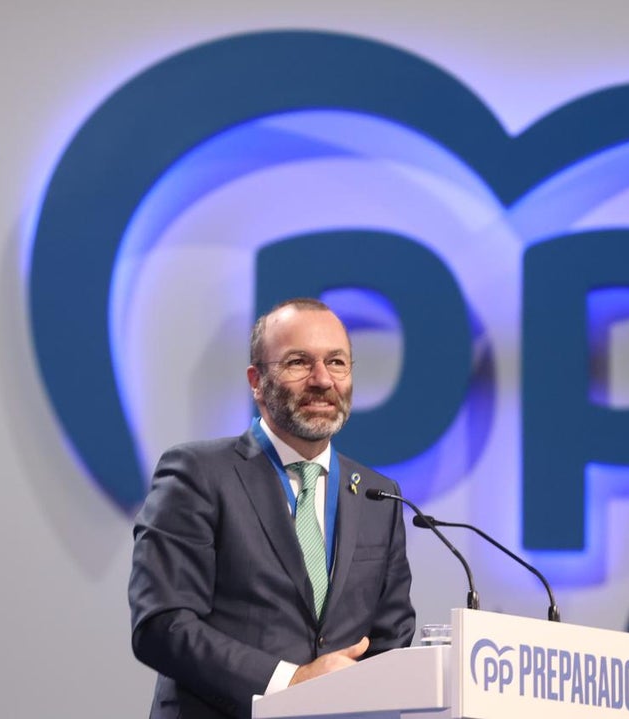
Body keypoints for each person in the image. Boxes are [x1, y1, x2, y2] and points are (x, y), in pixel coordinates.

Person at [129, 298, 416, 718]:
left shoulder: (378, 495)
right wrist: (291, 683)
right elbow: (163, 624)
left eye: (336, 362)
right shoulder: (198, 474)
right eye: (299, 362)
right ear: (256, 380)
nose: (322, 380)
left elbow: (391, 640)